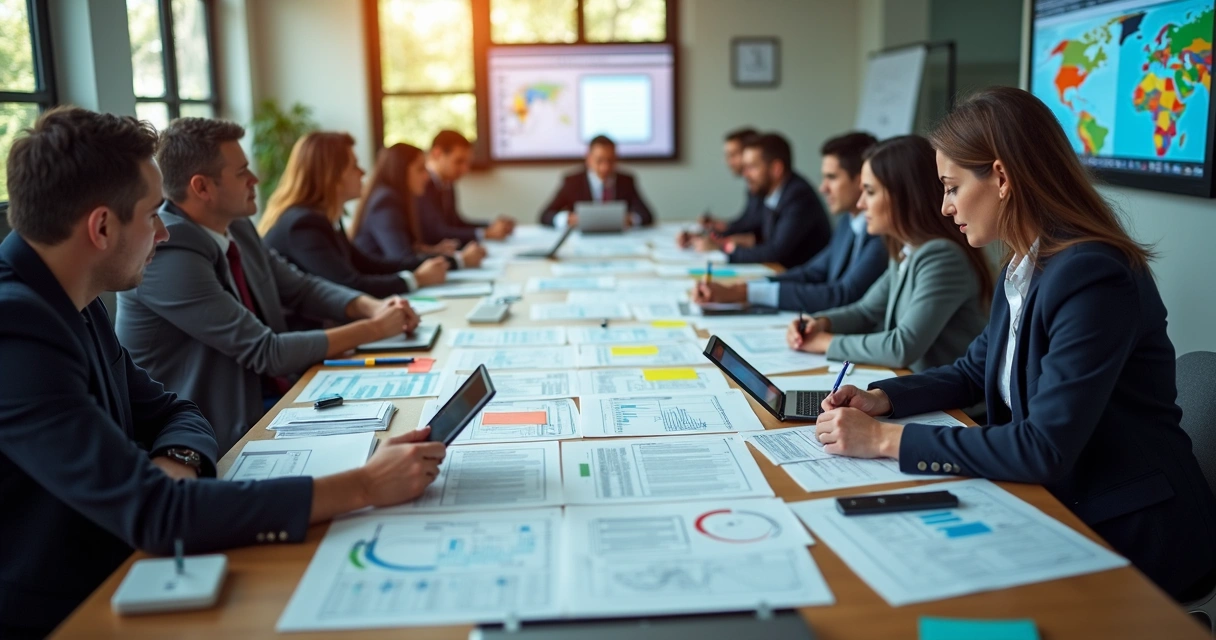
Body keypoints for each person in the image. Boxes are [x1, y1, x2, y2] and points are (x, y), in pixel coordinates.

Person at [0, 107, 445, 639]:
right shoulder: (17, 328)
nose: (163, 232)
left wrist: (176, 463)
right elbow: (156, 514)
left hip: (131, 562)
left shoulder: (75, 297)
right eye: (151, 214)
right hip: (66, 609)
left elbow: (173, 409)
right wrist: (365, 485)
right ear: (100, 227)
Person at [813, 87, 1216, 600]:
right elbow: (970, 370)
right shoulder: (1025, 264)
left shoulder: (1092, 275)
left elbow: (1042, 447)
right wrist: (883, 399)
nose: (944, 206)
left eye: (952, 187)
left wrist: (883, 440)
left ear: (1001, 177)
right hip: (1052, 501)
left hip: (1125, 530)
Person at [116, 118, 421, 452]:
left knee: (407, 414)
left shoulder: (238, 226)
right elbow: (267, 351)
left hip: (274, 398)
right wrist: (374, 328)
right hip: (216, 433)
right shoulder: (166, 253)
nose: (255, 180)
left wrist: (371, 306)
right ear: (202, 187)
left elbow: (301, 287)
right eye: (242, 172)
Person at [786, 135, 991, 371]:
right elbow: (865, 311)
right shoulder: (906, 250)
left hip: (955, 406)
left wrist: (825, 342)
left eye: (870, 192)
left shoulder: (943, 257)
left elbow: (901, 347)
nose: (861, 204)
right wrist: (821, 323)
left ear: (903, 196)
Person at [692, 131, 886, 312]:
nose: (822, 188)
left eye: (832, 178)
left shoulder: (882, 233)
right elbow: (811, 273)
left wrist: (744, 292)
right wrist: (746, 287)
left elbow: (843, 295)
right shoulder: (847, 222)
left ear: (861, 181)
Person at [258, 132, 451, 298]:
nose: (363, 172)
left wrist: (431, 263)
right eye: (354, 166)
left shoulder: (325, 218)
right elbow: (349, 286)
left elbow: (368, 264)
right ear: (333, 175)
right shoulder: (303, 224)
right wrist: (417, 279)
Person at [692, 133, 831, 268]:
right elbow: (755, 230)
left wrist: (723, 248)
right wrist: (706, 236)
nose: (745, 174)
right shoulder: (771, 192)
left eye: (752, 167)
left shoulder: (798, 196)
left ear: (776, 169)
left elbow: (775, 251)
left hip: (800, 279)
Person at [351, 143, 486, 270]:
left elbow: (405, 249)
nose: (427, 177)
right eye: (421, 169)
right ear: (401, 171)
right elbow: (402, 259)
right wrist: (459, 260)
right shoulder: (386, 202)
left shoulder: (396, 198)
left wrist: (431, 250)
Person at [419, 129, 513, 247]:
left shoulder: (447, 184)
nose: (465, 170)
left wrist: (491, 226)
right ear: (437, 153)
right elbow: (437, 232)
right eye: (459, 161)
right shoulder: (422, 185)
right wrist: (485, 233)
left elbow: (456, 223)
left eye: (467, 163)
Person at [538, 135, 656, 228]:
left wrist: (631, 219)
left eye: (610, 160)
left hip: (618, 240)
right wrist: (568, 219)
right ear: (588, 158)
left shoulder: (626, 181)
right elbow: (545, 215)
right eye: (599, 161)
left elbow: (647, 215)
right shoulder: (572, 182)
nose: (605, 167)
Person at [676, 127, 759, 247]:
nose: (728, 161)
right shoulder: (752, 187)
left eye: (733, 155)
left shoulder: (764, 187)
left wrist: (720, 244)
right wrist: (717, 228)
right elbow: (747, 224)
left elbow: (761, 237)